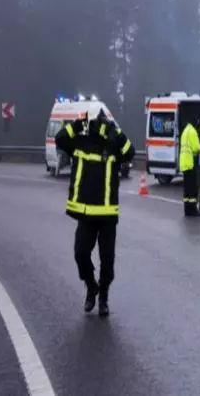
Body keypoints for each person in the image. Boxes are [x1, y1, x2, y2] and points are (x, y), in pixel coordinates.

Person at [54, 110, 135, 315]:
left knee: (107, 261)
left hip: (107, 215)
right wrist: (78, 125)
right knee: (81, 253)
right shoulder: (80, 142)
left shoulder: (113, 144)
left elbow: (130, 152)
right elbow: (60, 139)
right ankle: (91, 286)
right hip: (86, 213)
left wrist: (115, 131)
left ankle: (104, 297)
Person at [180, 119, 200, 216]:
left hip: (184, 162)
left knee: (187, 189)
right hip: (190, 162)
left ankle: (187, 210)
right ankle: (193, 210)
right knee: (192, 188)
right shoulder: (192, 132)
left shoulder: (185, 131)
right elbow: (196, 147)